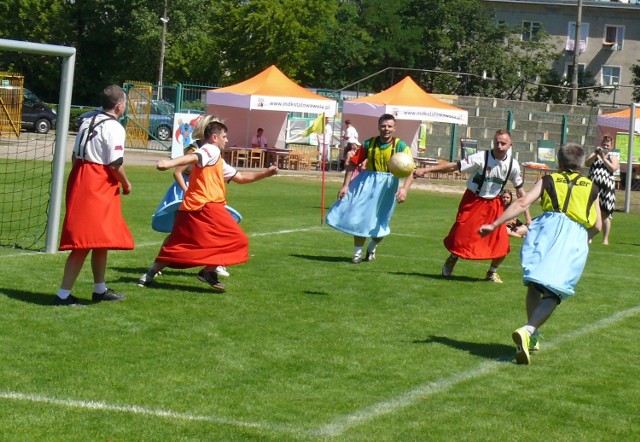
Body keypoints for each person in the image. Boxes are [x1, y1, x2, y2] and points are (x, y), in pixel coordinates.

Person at [479, 143, 602, 365]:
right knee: (555, 292)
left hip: (544, 230)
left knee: (535, 284)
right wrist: (585, 236)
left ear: (559, 162)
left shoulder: (548, 180)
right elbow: (598, 225)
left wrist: (495, 223)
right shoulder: (592, 187)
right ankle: (528, 330)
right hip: (573, 235)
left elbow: (523, 202)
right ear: (582, 165)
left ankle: (532, 336)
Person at [137, 119, 278, 292]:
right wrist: (169, 163)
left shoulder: (217, 158)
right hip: (207, 207)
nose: (226, 140)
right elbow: (193, 157)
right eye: (224, 137)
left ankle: (149, 274)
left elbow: (240, 177)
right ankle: (208, 272)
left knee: (179, 244)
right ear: (214, 137)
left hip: (192, 207)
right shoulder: (210, 149)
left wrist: (266, 174)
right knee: (237, 240)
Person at [413, 129, 531, 283]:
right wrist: (426, 169)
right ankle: (453, 257)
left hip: (494, 204)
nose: (499, 146)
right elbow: (454, 166)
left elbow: (521, 193)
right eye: (497, 143)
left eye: (503, 143)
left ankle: (491, 272)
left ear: (510, 145)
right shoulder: (481, 157)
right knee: (460, 236)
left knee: (502, 243)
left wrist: (528, 218)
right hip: (473, 200)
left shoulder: (513, 165)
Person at [55, 85, 133, 306]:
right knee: (84, 241)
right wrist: (126, 183)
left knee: (100, 239)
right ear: (119, 106)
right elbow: (115, 164)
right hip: (97, 182)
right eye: (125, 102)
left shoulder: (87, 120)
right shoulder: (115, 128)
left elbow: (74, 155)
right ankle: (62, 294)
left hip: (81, 175)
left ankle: (100, 289)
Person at [148, 115, 230, 279]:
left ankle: (215, 263)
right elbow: (177, 173)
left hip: (201, 193)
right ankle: (157, 265)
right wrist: (187, 191)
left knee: (207, 230)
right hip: (187, 190)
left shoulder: (213, 150)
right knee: (178, 233)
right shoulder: (195, 149)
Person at [326, 113, 415, 263]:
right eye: (383, 126)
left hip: (388, 185)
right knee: (360, 217)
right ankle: (357, 254)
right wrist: (345, 186)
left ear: (395, 128)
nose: (386, 129)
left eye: (389, 126)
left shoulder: (401, 146)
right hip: (367, 181)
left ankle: (372, 247)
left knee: (381, 222)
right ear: (378, 126)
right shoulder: (369, 144)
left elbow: (411, 169)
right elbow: (352, 164)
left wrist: (405, 189)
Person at [585, 134, 619, 245]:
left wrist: (604, 158)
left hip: (607, 190)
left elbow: (613, 168)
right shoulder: (595, 154)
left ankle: (605, 239)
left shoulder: (612, 157)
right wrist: (596, 154)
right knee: (591, 211)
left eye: (608, 145)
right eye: (604, 144)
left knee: (605, 214)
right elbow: (587, 163)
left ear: (611, 146)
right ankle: (590, 236)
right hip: (593, 187)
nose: (605, 146)